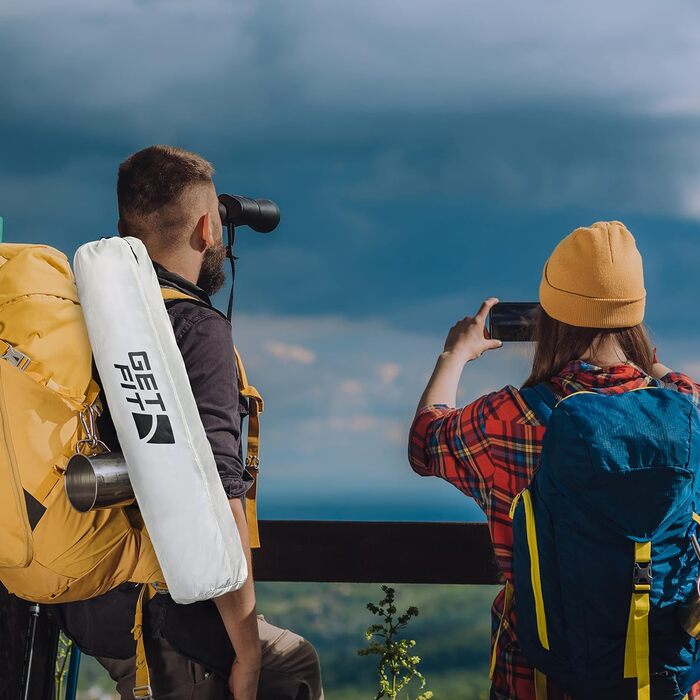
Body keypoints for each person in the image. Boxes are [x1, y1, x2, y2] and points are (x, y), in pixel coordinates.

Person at [55, 145, 324, 700]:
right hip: (163, 617)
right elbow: (218, 495)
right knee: (292, 665)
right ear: (208, 227)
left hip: (87, 604)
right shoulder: (193, 327)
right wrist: (247, 652)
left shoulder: (88, 317)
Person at [408, 221, 700, 700]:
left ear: (549, 318)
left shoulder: (509, 419)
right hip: (659, 680)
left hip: (538, 681)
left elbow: (425, 441)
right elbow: (680, 385)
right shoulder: (685, 412)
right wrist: (645, 360)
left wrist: (454, 355)